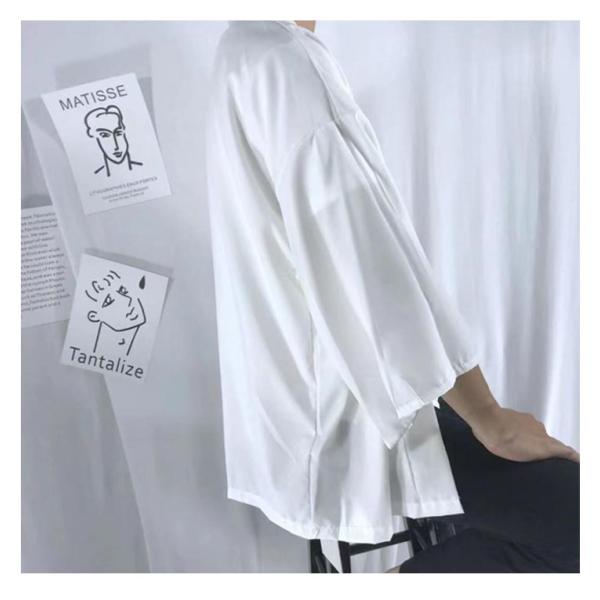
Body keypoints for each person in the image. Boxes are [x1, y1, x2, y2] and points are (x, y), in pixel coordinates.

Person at [204, 20, 579, 572]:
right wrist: (488, 417)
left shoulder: (246, 46)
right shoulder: (285, 60)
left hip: (309, 413)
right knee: (577, 525)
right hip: (350, 418)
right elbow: (366, 262)